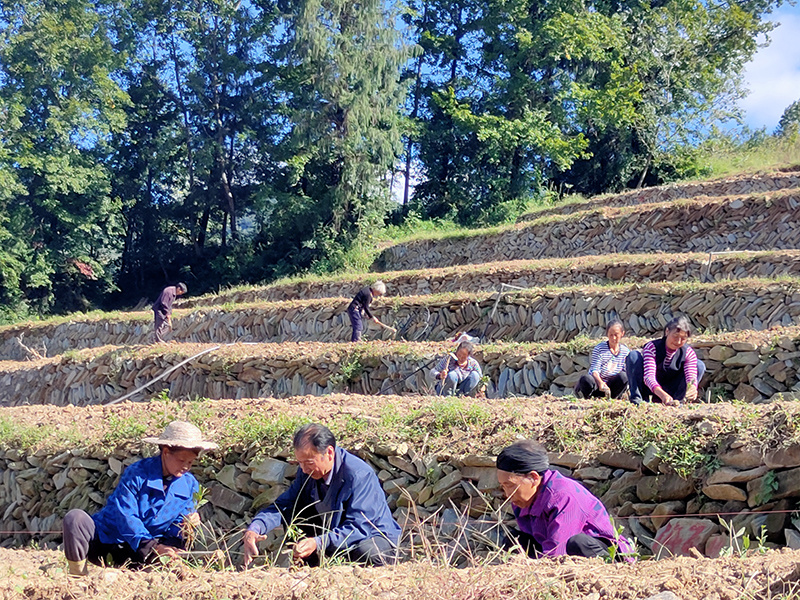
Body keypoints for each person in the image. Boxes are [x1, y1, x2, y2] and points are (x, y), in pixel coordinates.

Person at [61, 421, 217, 576]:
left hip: (145, 553)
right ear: (165, 452)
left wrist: (186, 527)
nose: (186, 467)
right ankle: (78, 575)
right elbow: (126, 515)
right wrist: (151, 546)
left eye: (190, 462)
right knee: (75, 519)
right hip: (108, 542)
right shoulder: (136, 474)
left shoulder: (190, 485)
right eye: (181, 461)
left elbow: (177, 527)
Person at [242, 423, 401, 567]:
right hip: (333, 536)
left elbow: (359, 527)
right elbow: (284, 505)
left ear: (329, 453)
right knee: (294, 515)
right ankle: (307, 571)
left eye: (309, 462)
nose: (303, 469)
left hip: (372, 538)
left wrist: (318, 542)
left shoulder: (358, 475)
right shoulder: (307, 473)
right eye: (300, 463)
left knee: (367, 552)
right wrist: (256, 528)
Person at [496, 440, 634, 560]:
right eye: (503, 486)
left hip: (601, 554)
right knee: (515, 541)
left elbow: (557, 551)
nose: (507, 494)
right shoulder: (521, 499)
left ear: (534, 478)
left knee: (578, 543)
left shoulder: (563, 496)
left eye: (510, 486)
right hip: (553, 551)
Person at [626, 315, 706, 406]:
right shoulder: (652, 348)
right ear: (667, 332)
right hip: (651, 389)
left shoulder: (688, 352)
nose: (678, 341)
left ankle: (678, 402)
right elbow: (649, 376)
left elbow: (691, 377)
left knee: (699, 365)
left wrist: (692, 387)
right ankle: (638, 401)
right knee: (633, 356)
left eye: (683, 339)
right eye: (675, 336)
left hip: (672, 390)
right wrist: (662, 395)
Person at [574, 320, 630, 399]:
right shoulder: (600, 348)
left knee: (624, 376)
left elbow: (626, 371)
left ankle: (612, 398)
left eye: (616, 335)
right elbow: (595, 370)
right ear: (607, 334)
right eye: (611, 335)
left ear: (622, 334)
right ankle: (589, 398)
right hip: (597, 384)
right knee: (586, 379)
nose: (613, 338)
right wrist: (600, 383)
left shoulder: (625, 351)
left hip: (611, 385)